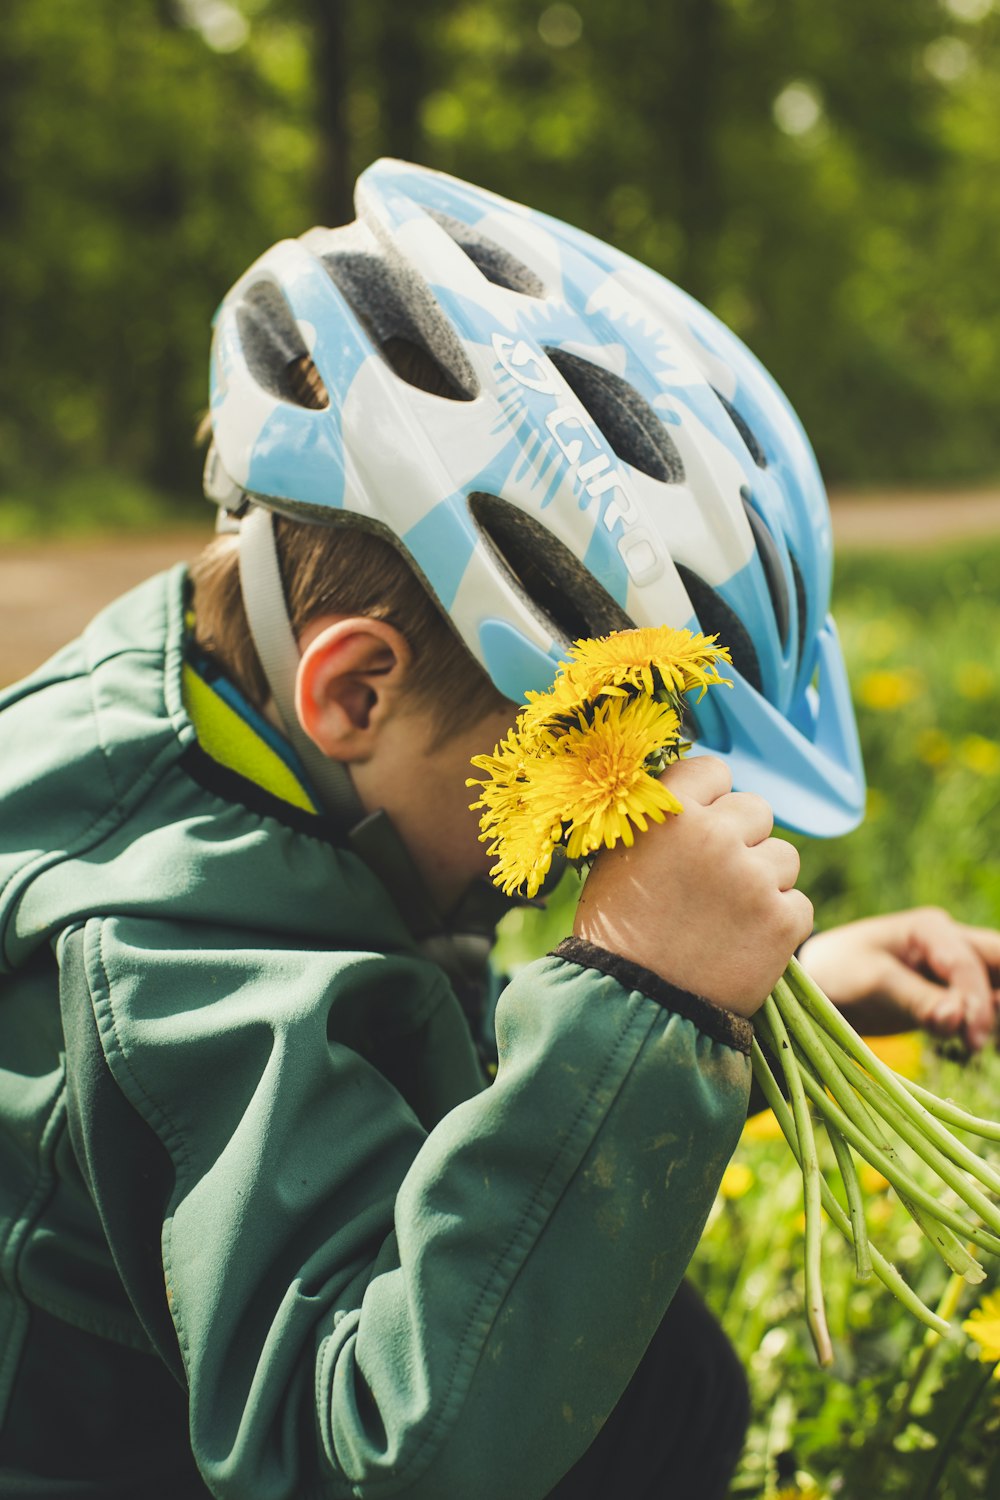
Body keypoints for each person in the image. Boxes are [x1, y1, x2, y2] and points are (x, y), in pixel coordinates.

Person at [0, 160, 996, 1500]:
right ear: (355, 687)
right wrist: (643, 992)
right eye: (598, 745)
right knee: (627, 1398)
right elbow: (358, 1464)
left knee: (656, 1376)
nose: (618, 825)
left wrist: (770, 1001)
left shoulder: (240, 737)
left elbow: (363, 1035)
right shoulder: (154, 961)